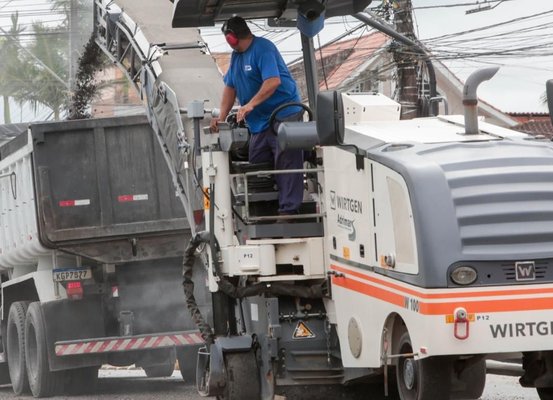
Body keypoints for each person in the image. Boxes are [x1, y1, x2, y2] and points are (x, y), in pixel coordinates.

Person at [210, 16, 304, 217]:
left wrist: (250, 104)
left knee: (286, 159)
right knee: (257, 162)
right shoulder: (236, 56)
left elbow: (273, 81)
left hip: (284, 114)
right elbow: (230, 87)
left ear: (231, 38)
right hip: (260, 122)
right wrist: (222, 116)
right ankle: (264, 212)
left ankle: (289, 211)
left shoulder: (264, 49)